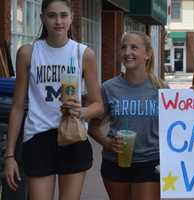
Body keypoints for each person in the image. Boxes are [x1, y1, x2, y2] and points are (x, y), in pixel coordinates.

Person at [4, 0, 104, 200]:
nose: (58, 21)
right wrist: (10, 155)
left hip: (72, 135)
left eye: (63, 15)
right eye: (51, 15)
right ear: (42, 18)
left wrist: (81, 112)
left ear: (71, 17)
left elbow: (98, 106)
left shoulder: (83, 54)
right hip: (38, 136)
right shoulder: (28, 53)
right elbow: (17, 107)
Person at [88, 31, 166, 200]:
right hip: (115, 163)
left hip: (150, 162)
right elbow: (92, 127)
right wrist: (108, 143)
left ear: (147, 54)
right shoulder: (109, 88)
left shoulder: (161, 88)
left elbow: (183, 119)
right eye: (123, 47)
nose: (127, 52)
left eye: (134, 47)